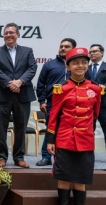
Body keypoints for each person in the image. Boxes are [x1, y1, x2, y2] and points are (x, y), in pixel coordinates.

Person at [47, 48, 101, 205]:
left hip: (85, 139)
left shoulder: (95, 89)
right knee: (63, 177)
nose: (80, 65)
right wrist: (50, 139)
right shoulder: (61, 89)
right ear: (68, 66)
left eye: (84, 62)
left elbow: (95, 114)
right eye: (76, 63)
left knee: (81, 178)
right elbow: (53, 115)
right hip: (64, 138)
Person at [0, 22, 37, 169]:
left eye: (12, 32)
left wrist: (20, 82)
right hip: (2, 94)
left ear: (18, 34)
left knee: (21, 127)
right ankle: (2, 157)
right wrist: (11, 83)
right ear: (3, 35)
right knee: (1, 128)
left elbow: (32, 68)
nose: (9, 35)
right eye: (6, 33)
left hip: (22, 94)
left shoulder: (27, 51)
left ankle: (19, 157)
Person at [35, 38, 76, 166]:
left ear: (73, 49)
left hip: (73, 104)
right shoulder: (49, 65)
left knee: (69, 130)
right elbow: (40, 84)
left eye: (67, 46)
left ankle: (65, 157)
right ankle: (46, 157)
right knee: (50, 129)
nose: (63, 48)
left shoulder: (77, 65)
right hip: (53, 103)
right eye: (61, 46)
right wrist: (42, 101)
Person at [87, 44, 106, 147]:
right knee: (88, 132)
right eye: (90, 52)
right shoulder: (85, 68)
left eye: (95, 51)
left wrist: (103, 88)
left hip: (104, 105)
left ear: (102, 53)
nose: (92, 54)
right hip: (88, 105)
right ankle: (87, 155)